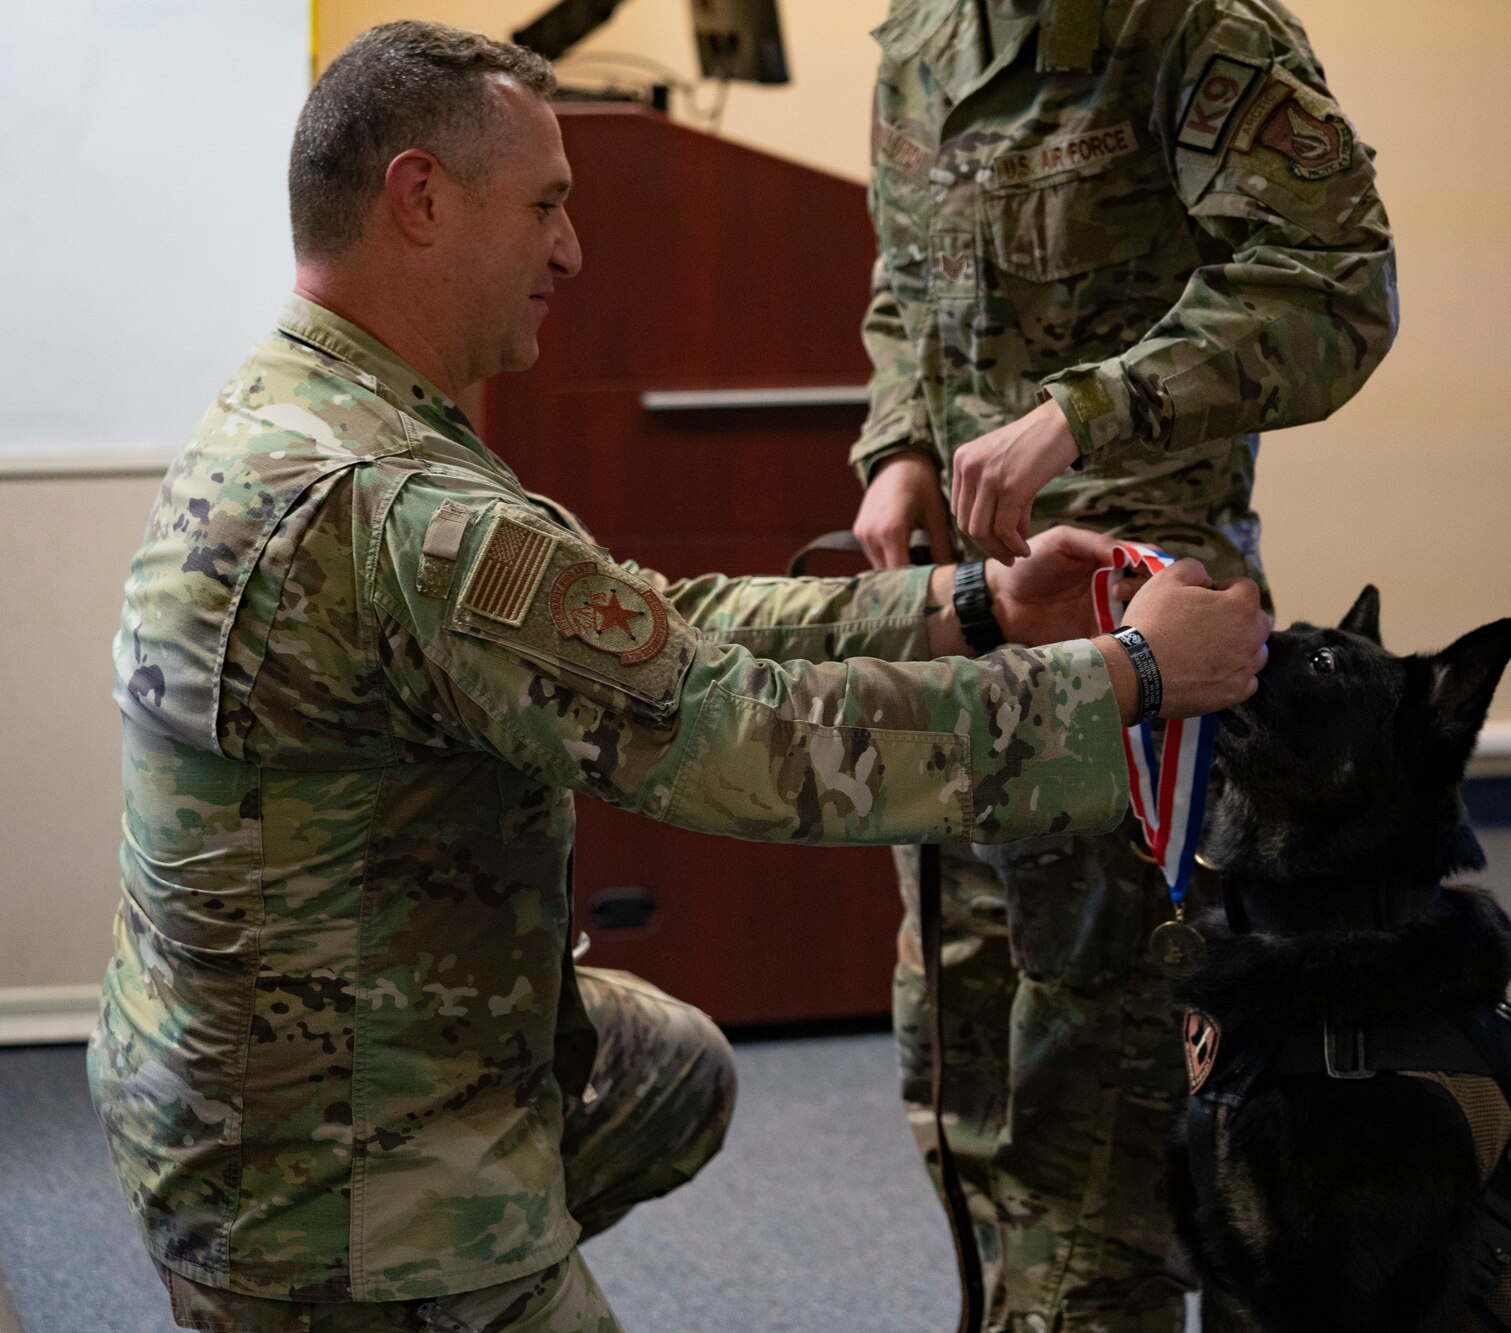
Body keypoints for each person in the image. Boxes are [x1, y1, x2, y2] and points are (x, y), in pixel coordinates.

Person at [90, 22, 1270, 1333]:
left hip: (214, 1090)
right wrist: (1129, 677)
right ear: (420, 199)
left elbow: (658, 624)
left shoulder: (296, 406)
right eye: (544, 206)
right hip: (332, 1183)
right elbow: (739, 735)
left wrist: (972, 604)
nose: (571, 250)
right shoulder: (404, 510)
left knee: (670, 1067)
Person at [848, 1, 1399, 1328]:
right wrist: (902, 443)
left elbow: (1337, 289)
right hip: (976, 627)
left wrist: (1084, 412)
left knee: (1102, 1103)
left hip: (1142, 629)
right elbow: (910, 278)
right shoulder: (927, 33)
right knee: (958, 1065)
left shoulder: (1192, 27)